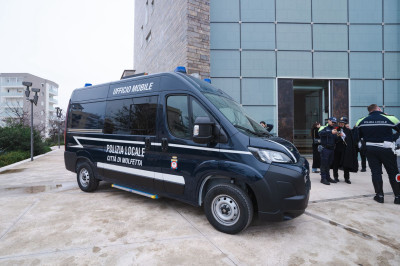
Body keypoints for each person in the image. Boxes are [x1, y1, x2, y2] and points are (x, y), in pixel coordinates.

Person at [356, 104, 400, 204]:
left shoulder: (361, 120)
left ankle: (379, 196)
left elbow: (357, 137)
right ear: (379, 109)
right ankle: (398, 197)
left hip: (370, 149)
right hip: (386, 148)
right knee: (393, 172)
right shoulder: (390, 118)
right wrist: (393, 138)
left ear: (369, 111)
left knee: (376, 172)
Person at [332, 117, 358, 184]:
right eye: (340, 123)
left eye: (342, 123)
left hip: (345, 149)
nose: (341, 124)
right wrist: (339, 136)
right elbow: (334, 139)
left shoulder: (348, 130)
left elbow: (350, 140)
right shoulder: (335, 129)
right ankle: (336, 177)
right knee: (336, 163)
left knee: (346, 163)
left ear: (344, 123)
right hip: (337, 149)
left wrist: (344, 136)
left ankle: (347, 178)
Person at [318, 117, 340, 185]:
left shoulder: (334, 129)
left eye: (334, 122)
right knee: (324, 164)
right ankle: (323, 178)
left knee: (329, 164)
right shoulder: (323, 127)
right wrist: (330, 132)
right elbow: (320, 134)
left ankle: (328, 177)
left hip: (331, 149)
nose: (333, 123)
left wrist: (339, 136)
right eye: (332, 122)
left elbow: (336, 140)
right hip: (325, 149)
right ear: (329, 121)